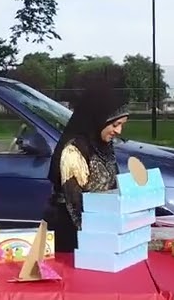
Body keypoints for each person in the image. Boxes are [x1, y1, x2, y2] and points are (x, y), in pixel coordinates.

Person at [43, 83, 130, 252]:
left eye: (122, 125)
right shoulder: (74, 151)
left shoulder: (103, 145)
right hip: (77, 242)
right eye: (115, 124)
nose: (119, 131)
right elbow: (75, 207)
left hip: (101, 233)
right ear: (99, 120)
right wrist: (102, 240)